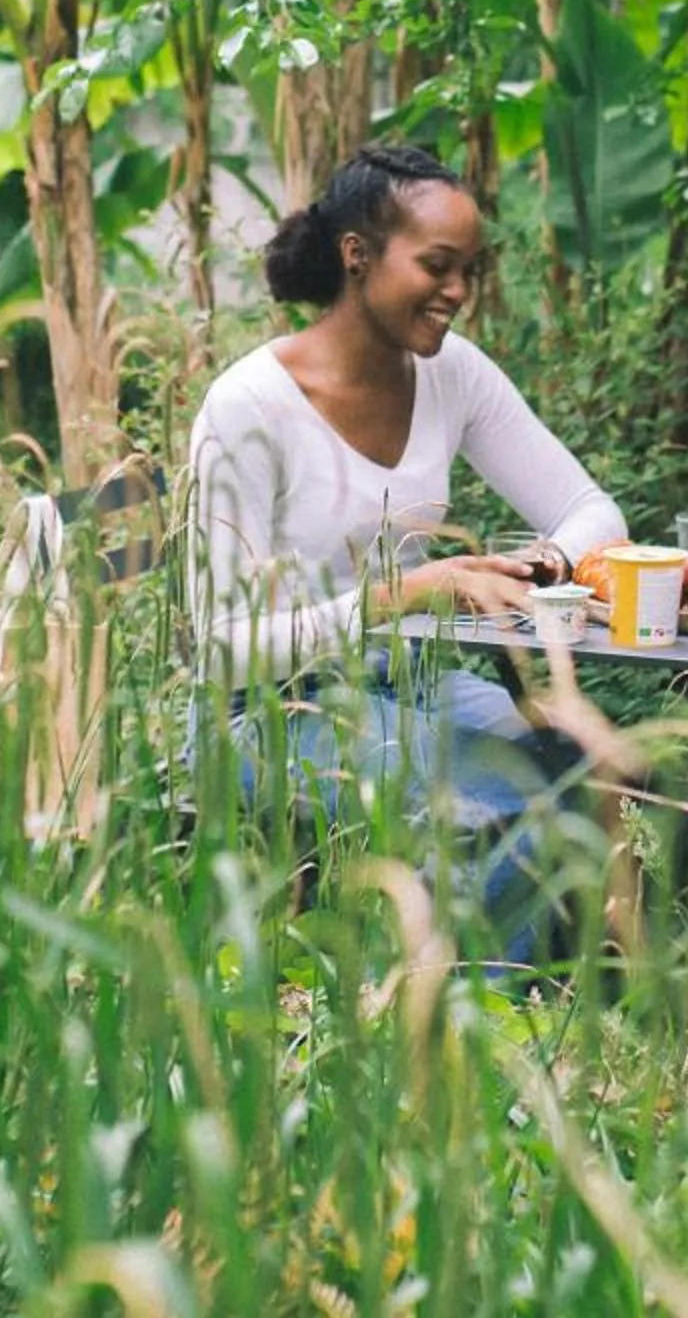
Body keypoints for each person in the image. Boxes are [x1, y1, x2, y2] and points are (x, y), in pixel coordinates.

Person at [182, 142, 626, 960]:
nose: (458, 292)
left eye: (471, 270)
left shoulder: (453, 375)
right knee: (509, 798)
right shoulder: (248, 408)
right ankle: (464, 1031)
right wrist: (408, 592)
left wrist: (546, 567)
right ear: (358, 255)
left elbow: (592, 510)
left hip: (409, 684)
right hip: (262, 715)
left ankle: (498, 997)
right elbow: (217, 650)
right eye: (437, 265)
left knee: (569, 768)